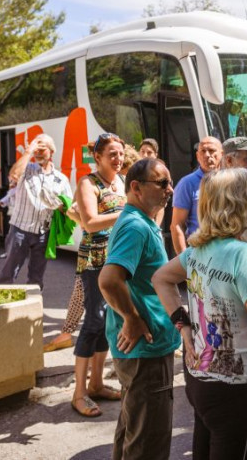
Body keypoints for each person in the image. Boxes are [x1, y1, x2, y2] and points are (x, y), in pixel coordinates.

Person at [153, 168, 247, 460]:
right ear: (235, 202)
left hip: (200, 376)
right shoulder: (246, 254)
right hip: (236, 385)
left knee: (204, 447)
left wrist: (182, 325)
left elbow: (161, 278)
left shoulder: (200, 248)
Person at [98, 158, 181, 460]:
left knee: (135, 427)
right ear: (135, 187)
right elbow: (109, 280)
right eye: (161, 183)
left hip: (145, 348)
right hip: (145, 349)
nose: (169, 190)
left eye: (169, 182)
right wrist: (131, 318)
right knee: (148, 440)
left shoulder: (142, 221)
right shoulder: (135, 225)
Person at [70, 134, 127, 418]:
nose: (118, 159)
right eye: (112, 154)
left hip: (118, 258)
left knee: (108, 321)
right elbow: (90, 223)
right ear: (98, 157)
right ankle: (78, 392)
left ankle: (96, 383)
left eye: (120, 153)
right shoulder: (88, 183)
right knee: (94, 321)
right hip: (95, 260)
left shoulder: (122, 182)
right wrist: (127, 212)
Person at [0, 134, 72, 291]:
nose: (37, 151)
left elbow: (68, 207)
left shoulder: (61, 178)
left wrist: (58, 205)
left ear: (51, 151)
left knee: (37, 276)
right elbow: (14, 175)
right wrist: (28, 152)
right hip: (20, 229)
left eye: (41, 148)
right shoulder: (27, 169)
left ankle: (33, 306)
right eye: (35, 148)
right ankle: (1, 305)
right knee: (9, 272)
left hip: (44, 233)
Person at [171, 136, 223, 255]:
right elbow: (177, 225)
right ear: (197, 156)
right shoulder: (187, 184)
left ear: (222, 153)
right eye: (203, 151)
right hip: (200, 252)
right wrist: (184, 260)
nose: (207, 155)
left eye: (211, 150)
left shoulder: (231, 180)